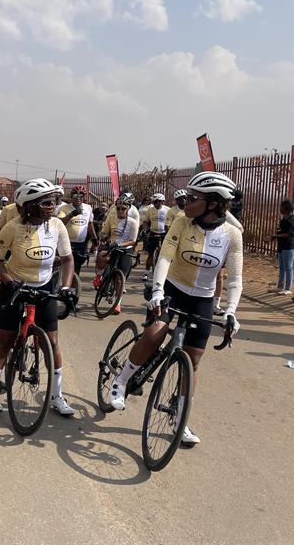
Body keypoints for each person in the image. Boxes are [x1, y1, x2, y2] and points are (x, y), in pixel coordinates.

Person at [109, 171, 243, 446]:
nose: (185, 202)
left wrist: (231, 311)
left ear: (214, 203)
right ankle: (121, 380)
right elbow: (165, 258)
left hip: (202, 299)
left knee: (192, 362)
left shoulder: (232, 235)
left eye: (193, 198)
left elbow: (235, 278)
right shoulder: (182, 223)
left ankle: (180, 417)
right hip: (172, 289)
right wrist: (157, 291)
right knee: (154, 333)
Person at [0, 178, 77, 416]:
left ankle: (57, 395)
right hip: (14, 285)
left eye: (54, 201)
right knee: (4, 341)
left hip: (44, 288)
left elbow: (67, 260)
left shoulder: (56, 225)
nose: (52, 206)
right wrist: (9, 281)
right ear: (29, 205)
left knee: (53, 343)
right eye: (46, 202)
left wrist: (66, 288)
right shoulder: (12, 227)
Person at [94, 194, 139, 315]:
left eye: (123, 208)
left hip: (125, 249)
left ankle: (117, 303)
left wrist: (121, 245)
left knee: (119, 279)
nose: (120, 210)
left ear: (128, 209)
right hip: (112, 246)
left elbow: (133, 241)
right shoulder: (112, 217)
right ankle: (99, 276)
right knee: (101, 256)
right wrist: (103, 236)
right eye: (118, 208)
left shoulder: (133, 222)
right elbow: (104, 232)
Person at [56, 185, 95, 275]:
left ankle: (73, 287)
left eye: (81, 196)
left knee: (76, 268)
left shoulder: (88, 208)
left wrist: (94, 238)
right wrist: (71, 214)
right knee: (62, 265)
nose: (78, 198)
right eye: (75, 196)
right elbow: (60, 222)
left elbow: (90, 224)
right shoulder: (64, 208)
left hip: (81, 243)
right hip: (67, 242)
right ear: (71, 197)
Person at [269, 199, 294, 296]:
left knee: (288, 267)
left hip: (289, 246)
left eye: (281, 207)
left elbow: (288, 234)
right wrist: (273, 238)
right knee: (282, 267)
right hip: (282, 246)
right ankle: (280, 286)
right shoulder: (283, 220)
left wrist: (275, 236)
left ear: (285, 209)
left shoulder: (291, 220)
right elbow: (280, 233)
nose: (279, 208)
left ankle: (288, 288)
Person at [142, 193, 170, 281]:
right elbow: (145, 221)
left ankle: (167, 273)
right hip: (153, 233)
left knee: (166, 254)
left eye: (157, 202)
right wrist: (146, 229)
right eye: (154, 202)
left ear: (162, 202)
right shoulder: (150, 210)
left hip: (164, 234)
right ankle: (146, 273)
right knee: (150, 254)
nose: (155, 204)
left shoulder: (168, 210)